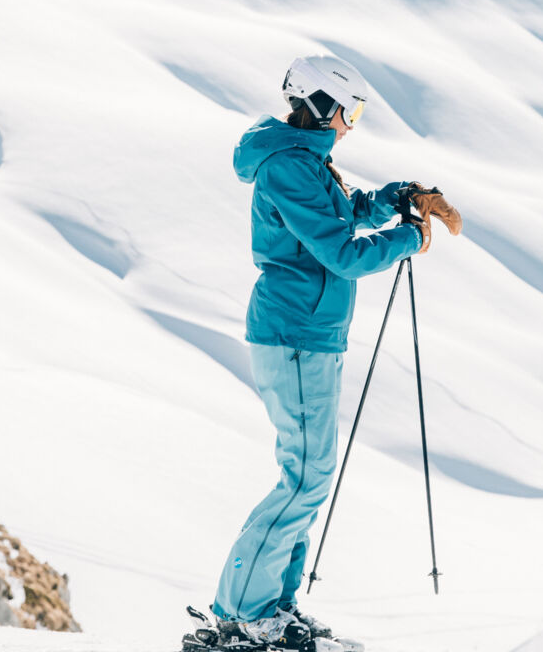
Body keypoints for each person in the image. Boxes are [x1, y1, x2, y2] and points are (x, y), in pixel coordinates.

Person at [190, 54, 459, 652]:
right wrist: (408, 238)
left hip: (310, 335)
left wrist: (396, 197)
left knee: (310, 474)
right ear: (320, 106)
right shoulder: (288, 167)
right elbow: (342, 254)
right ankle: (243, 612)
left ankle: (275, 607)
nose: (352, 123)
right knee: (304, 476)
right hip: (293, 335)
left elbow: (343, 213)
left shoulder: (307, 163)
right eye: (349, 110)